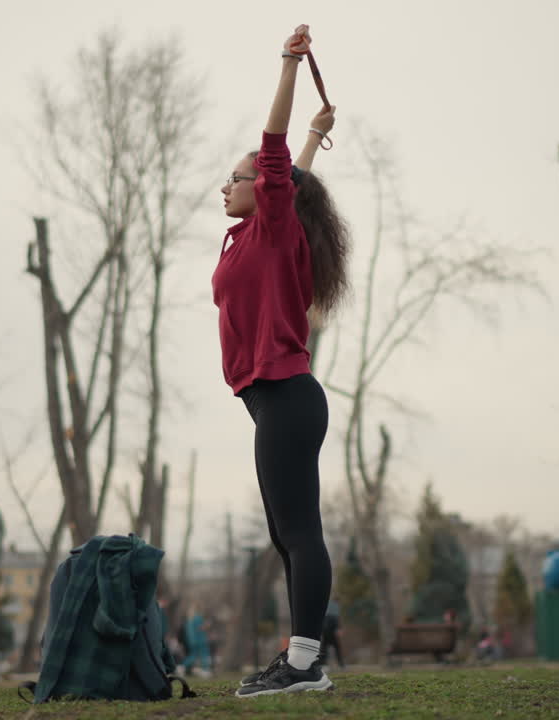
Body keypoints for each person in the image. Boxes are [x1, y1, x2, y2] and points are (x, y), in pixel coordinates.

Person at [213, 23, 349, 698]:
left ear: (262, 188)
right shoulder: (261, 235)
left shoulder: (269, 224)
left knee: (298, 531)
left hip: (288, 398)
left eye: (233, 178)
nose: (225, 186)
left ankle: (302, 664)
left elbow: (274, 161)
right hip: (275, 403)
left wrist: (288, 67)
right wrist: (317, 140)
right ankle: (301, 659)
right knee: (285, 533)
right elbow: (291, 179)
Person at [320, 598, 345, 670]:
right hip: (330, 630)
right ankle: (340, 665)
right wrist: (338, 628)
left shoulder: (330, 606)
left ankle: (324, 664)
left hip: (326, 630)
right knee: (334, 648)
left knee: (325, 648)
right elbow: (336, 619)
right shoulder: (334, 607)